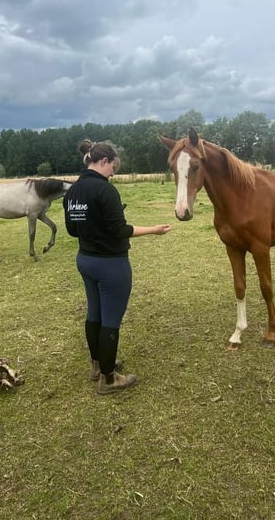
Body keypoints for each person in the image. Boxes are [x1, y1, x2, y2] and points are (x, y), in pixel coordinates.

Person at [63, 140, 171, 394]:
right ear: (103, 161)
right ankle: (109, 379)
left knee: (95, 313)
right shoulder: (105, 191)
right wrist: (154, 230)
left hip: (85, 260)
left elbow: (71, 230)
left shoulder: (72, 191)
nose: (114, 172)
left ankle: (98, 365)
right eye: (113, 166)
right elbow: (119, 230)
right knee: (110, 319)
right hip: (110, 265)